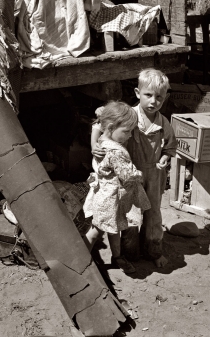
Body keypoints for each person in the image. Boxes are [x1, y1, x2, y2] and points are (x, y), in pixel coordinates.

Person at [92, 69, 177, 268]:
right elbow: (99, 124)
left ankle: (154, 251)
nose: (153, 101)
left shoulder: (164, 123)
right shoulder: (128, 115)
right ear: (138, 93)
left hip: (154, 174)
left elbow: (170, 146)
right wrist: (95, 145)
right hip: (128, 173)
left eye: (159, 97)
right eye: (148, 95)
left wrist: (165, 157)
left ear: (165, 98)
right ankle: (129, 253)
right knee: (129, 213)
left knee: (153, 212)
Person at [83, 101, 151, 275]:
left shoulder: (101, 140)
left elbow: (98, 124)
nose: (129, 136)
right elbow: (127, 175)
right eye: (127, 131)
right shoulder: (114, 151)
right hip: (109, 198)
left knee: (114, 228)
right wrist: (140, 175)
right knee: (96, 230)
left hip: (107, 195)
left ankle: (117, 256)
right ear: (112, 127)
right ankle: (81, 261)